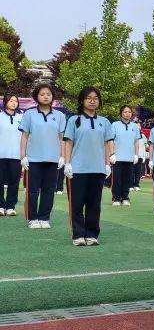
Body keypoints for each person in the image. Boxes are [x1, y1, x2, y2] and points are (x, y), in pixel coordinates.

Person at [63, 87, 115, 246]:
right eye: (89, 98)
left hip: (97, 168)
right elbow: (68, 143)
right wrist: (67, 163)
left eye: (95, 98)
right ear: (82, 100)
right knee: (77, 203)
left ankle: (92, 234)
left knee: (94, 204)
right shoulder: (74, 120)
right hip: (77, 169)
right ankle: (78, 234)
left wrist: (108, 163)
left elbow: (107, 144)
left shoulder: (104, 122)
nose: (92, 100)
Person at [20, 83, 65, 229]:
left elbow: (62, 138)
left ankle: (44, 218)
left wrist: (62, 157)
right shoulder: (29, 114)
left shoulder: (59, 116)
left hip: (52, 160)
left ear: (52, 97)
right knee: (32, 190)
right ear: (36, 97)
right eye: (42, 94)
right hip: (33, 159)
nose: (45, 96)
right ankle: (32, 218)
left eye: (48, 94)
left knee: (49, 190)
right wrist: (23, 156)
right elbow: (24, 137)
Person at [108, 105, 140, 207]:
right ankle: (116, 198)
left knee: (128, 179)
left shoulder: (134, 127)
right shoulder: (115, 125)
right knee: (117, 179)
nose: (127, 114)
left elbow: (136, 142)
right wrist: (112, 154)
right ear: (121, 113)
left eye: (129, 112)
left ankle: (125, 197)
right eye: (125, 112)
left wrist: (136, 155)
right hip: (118, 157)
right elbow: (111, 140)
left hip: (129, 157)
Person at [0, 93, 23, 217]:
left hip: (16, 155)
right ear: (5, 102)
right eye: (11, 100)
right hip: (1, 155)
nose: (14, 103)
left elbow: (26, 137)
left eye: (15, 100)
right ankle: (0, 206)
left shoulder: (22, 117)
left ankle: (10, 206)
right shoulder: (0, 116)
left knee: (14, 182)